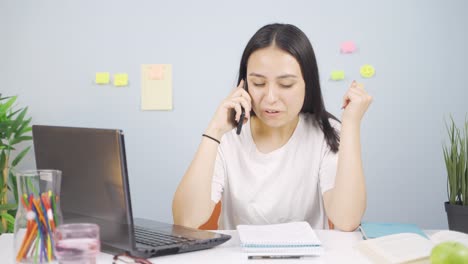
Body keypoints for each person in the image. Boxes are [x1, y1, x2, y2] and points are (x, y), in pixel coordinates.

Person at [172, 23, 372, 231]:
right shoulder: (227, 136)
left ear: (307, 83)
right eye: (258, 83)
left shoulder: (324, 132)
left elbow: (346, 220)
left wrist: (351, 124)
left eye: (285, 85)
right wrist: (214, 131)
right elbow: (185, 220)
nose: (270, 98)